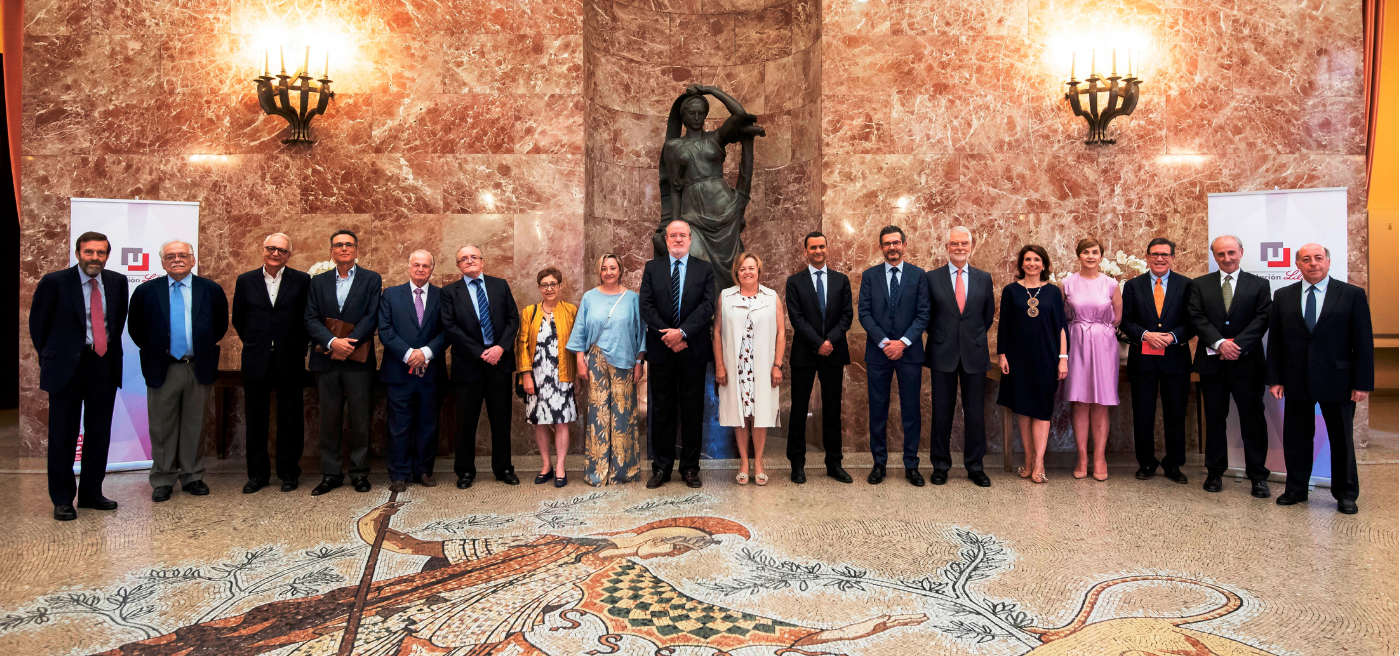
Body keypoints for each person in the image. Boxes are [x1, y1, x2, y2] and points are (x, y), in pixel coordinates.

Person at [1267, 244, 1374, 514]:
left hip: (1338, 380)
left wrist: (1362, 383)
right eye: (1306, 259)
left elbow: (1363, 342)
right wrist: (1275, 379)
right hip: (1296, 379)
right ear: (1298, 265)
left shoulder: (1352, 294)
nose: (1313, 263)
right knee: (1297, 438)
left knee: (1342, 440)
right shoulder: (1283, 296)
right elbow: (1276, 342)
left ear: (1328, 261)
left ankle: (1346, 493)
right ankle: (1296, 489)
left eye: (1318, 258)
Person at [29, 232, 128, 521]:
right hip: (65, 368)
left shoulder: (118, 282)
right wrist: (55, 357)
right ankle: (62, 499)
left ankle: (91, 494)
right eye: (89, 252)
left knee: (99, 433)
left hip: (103, 365)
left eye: (100, 253)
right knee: (63, 435)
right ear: (77, 254)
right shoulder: (55, 282)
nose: (94, 258)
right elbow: (39, 326)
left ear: (107, 255)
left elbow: (116, 322)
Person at [128, 240, 228, 502]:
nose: (177, 259)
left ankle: (193, 476)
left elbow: (218, 326)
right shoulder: (146, 291)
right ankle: (162, 479)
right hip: (163, 367)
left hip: (198, 366)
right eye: (170, 256)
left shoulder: (210, 289)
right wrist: (160, 351)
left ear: (193, 260)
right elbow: (136, 329)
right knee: (161, 427)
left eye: (183, 255)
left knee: (195, 425)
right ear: (162, 262)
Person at [1187, 235, 1272, 498]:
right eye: (1221, 254)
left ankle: (1257, 476)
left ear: (1241, 252)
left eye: (1231, 253)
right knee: (1214, 419)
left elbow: (1262, 318)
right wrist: (1220, 343)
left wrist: (1237, 346)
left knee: (1253, 421)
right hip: (1212, 365)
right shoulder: (1200, 284)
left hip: (1247, 364)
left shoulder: (1259, 285)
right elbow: (1196, 317)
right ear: (1215, 256)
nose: (1227, 258)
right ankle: (1214, 472)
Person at [639, 219, 717, 489]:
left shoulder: (704, 269)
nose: (678, 240)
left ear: (691, 239)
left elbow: (707, 307)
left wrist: (682, 333)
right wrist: (670, 336)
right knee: (661, 410)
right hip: (662, 351)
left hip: (692, 350)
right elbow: (646, 307)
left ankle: (690, 468)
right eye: (673, 235)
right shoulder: (652, 268)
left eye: (683, 235)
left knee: (693, 410)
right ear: (666, 240)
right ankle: (661, 468)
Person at [304, 229, 382, 496]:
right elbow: (310, 318)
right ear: (331, 252)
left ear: (357, 250)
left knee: (360, 419)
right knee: (329, 419)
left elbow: (372, 316)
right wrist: (331, 343)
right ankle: (331, 474)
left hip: (358, 361)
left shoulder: (372, 279)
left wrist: (347, 344)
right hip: (326, 361)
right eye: (338, 245)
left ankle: (360, 474)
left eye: (349, 244)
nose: (344, 248)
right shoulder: (318, 281)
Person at [232, 233, 311, 494]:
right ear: (263, 250)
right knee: (256, 419)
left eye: (281, 250)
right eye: (271, 248)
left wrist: (294, 346)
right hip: (256, 359)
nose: (275, 253)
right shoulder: (246, 280)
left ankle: (289, 472)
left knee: (290, 418)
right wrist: (259, 343)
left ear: (289, 255)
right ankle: (257, 474)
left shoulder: (301, 281)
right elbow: (240, 319)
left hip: (290, 359)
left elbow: (306, 319)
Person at [442, 244, 522, 488]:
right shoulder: (449, 292)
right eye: (463, 259)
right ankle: (465, 471)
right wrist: (480, 352)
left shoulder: (500, 285)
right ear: (458, 266)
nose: (469, 261)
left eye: (473, 257)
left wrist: (500, 348)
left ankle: (504, 468)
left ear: (482, 261)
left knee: (501, 419)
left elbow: (512, 319)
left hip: (499, 362)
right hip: (468, 364)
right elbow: (450, 327)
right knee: (465, 422)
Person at [858, 226, 930, 486]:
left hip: (910, 354)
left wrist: (903, 343)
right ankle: (879, 464)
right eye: (887, 243)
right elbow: (864, 313)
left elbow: (924, 314)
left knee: (911, 410)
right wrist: (885, 342)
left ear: (905, 245)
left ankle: (912, 465)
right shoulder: (870, 276)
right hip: (878, 355)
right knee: (878, 410)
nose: (892, 247)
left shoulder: (919, 275)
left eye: (896, 243)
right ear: (881, 247)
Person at [923, 226, 995, 488]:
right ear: (947, 248)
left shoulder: (984, 278)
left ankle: (975, 466)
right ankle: (940, 466)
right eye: (954, 244)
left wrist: (969, 337)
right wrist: (945, 336)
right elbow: (927, 316)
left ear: (972, 246)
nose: (960, 247)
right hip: (942, 352)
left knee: (975, 413)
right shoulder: (932, 278)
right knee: (942, 411)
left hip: (974, 354)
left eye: (964, 243)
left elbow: (987, 316)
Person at [568, 254, 648, 487]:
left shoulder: (632, 298)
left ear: (620, 270)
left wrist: (639, 362)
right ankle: (598, 471)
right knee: (598, 415)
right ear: (599, 271)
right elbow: (580, 331)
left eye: (613, 268)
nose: (609, 272)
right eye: (604, 268)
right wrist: (580, 362)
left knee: (623, 416)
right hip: (596, 361)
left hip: (625, 360)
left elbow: (641, 333)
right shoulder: (589, 297)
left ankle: (623, 471)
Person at [1121, 238, 1194, 484]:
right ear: (1147, 257)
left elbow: (1194, 321)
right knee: (1143, 413)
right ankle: (1147, 462)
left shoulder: (1187, 285)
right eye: (1154, 254)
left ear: (1173, 257)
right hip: (1143, 359)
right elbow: (1125, 321)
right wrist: (1145, 334)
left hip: (1176, 359)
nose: (1159, 259)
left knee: (1175, 413)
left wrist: (1173, 336)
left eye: (1164, 254)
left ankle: (1174, 464)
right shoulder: (1132, 286)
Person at [785, 231, 853, 484]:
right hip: (805, 353)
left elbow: (847, 316)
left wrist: (829, 342)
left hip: (833, 353)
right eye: (813, 247)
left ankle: (834, 464)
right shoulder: (794, 282)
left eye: (822, 246)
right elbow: (797, 318)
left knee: (833, 410)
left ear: (827, 248)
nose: (818, 251)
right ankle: (797, 464)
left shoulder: (841, 280)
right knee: (799, 410)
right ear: (805, 251)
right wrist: (817, 343)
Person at [996, 245, 1067, 484]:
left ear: (1044, 264)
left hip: (1046, 358)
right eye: (1027, 259)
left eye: (1037, 259)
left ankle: (1039, 461)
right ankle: (1028, 458)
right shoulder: (1011, 291)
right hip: (1018, 359)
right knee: (1023, 409)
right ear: (1021, 264)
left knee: (1042, 409)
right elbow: (1003, 325)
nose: (1032, 263)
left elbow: (1061, 328)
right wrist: (1002, 355)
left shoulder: (1054, 293)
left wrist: (1063, 358)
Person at [714, 253, 786, 486]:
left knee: (761, 414)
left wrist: (777, 365)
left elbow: (781, 333)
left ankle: (759, 462)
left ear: (759, 271)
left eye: (751, 268)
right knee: (740, 415)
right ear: (736, 272)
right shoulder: (725, 296)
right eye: (743, 269)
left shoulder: (771, 296)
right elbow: (717, 332)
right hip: (736, 367)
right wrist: (720, 365)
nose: (747, 272)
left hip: (763, 367)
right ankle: (744, 462)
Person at [378, 250, 446, 493]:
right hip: (398, 371)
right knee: (399, 424)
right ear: (408, 267)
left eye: (425, 266)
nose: (420, 269)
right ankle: (399, 473)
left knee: (428, 423)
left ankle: (423, 470)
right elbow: (385, 330)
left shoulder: (442, 295)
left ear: (431, 270)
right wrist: (409, 355)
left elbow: (447, 330)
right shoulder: (391, 294)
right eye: (416, 265)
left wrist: (426, 353)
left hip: (431, 372)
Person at [1060, 237, 1122, 481]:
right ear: (1078, 256)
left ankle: (1099, 458)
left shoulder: (1111, 284)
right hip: (1076, 342)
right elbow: (1061, 316)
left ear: (1101, 256)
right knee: (1079, 401)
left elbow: (1117, 316)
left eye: (1095, 252)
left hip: (1103, 344)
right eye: (1085, 252)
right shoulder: (1067, 283)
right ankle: (1082, 457)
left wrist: (1099, 330)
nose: (1090, 256)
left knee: (1101, 402)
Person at [516, 267, 578, 488]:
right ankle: (546, 465)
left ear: (560, 286)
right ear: (539, 288)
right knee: (539, 422)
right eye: (545, 284)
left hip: (562, 376)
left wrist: (577, 376)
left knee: (561, 422)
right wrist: (526, 375)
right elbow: (521, 344)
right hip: (537, 376)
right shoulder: (529, 312)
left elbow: (577, 344)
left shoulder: (570, 311)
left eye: (553, 284)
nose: (549, 288)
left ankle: (560, 466)